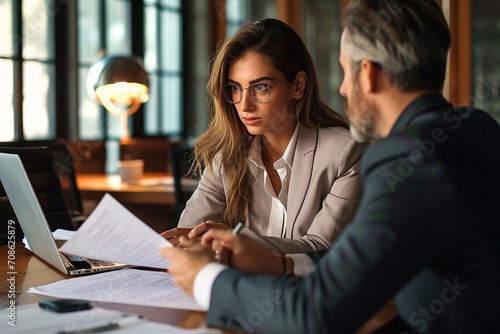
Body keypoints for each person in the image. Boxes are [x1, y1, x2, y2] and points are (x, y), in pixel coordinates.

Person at [160, 0, 500, 333]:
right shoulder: (477, 127)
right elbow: (364, 260)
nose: (343, 88)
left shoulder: (409, 159)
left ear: (367, 74)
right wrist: (278, 262)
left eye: (346, 70)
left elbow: (315, 314)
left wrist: (208, 280)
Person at [161, 18, 366, 254]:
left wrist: (236, 240)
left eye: (260, 87)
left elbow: (319, 250)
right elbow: (189, 239)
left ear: (298, 86)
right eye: (235, 88)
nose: (244, 105)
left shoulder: (345, 152)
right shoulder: (225, 156)